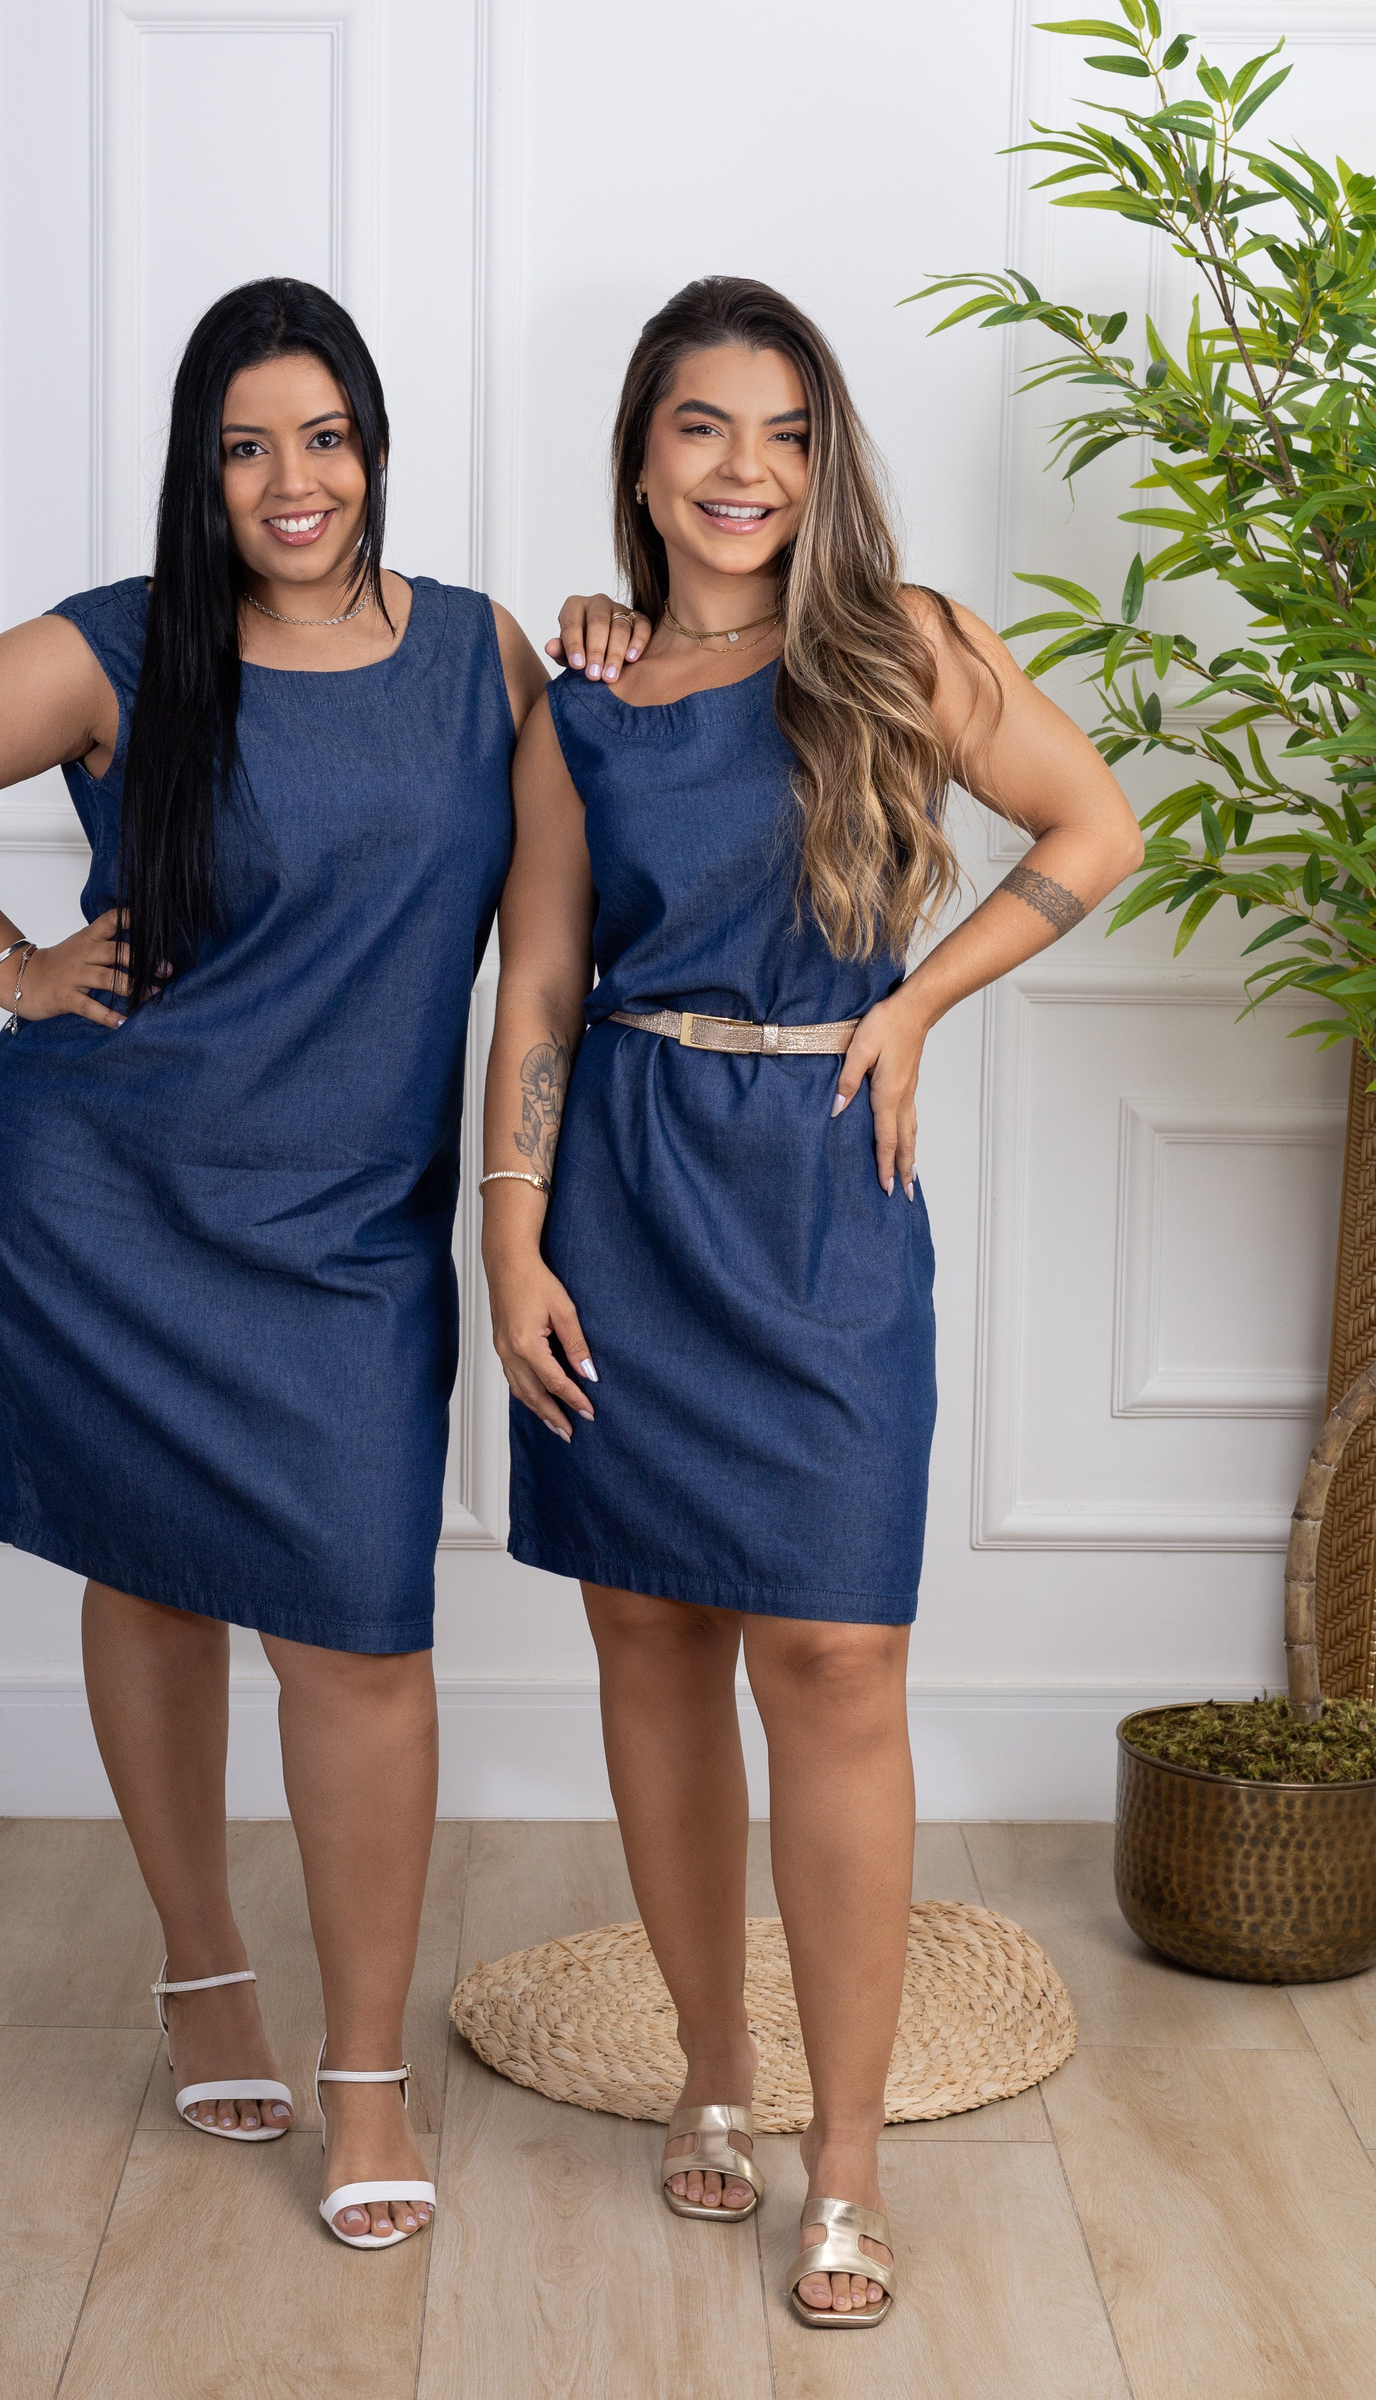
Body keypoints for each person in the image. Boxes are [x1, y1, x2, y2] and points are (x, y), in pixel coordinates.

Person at [0, 277, 557, 2252]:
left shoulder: (483, 657)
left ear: (374, 446)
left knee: (362, 1643)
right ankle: (204, 1961)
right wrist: (12, 967)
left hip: (351, 1239)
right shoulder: (127, 645)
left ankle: (366, 2071)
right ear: (198, 470)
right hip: (109, 1198)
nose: (291, 481)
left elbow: (576, 896)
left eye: (323, 437)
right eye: (244, 447)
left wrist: (624, 641)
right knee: (147, 1581)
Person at [483, 275, 1144, 2327]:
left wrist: (921, 1003)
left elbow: (1097, 825)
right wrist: (509, 1232)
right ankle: (711, 2066)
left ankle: (844, 2162)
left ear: (824, 458)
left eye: (785, 432)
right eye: (703, 426)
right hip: (625, 1190)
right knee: (649, 1631)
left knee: (841, 1658)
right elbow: (541, 981)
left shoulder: (900, 645)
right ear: (642, 456)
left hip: (826, 1189)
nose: (746, 469)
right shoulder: (582, 700)